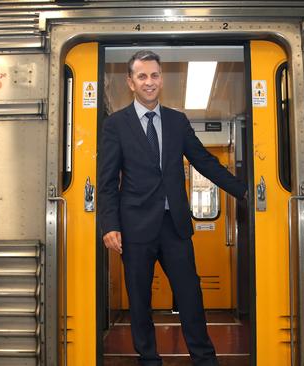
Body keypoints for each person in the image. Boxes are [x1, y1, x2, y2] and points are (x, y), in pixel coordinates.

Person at [97, 50, 247, 366]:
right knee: (139, 300)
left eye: (154, 75)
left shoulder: (177, 121)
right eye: (142, 76)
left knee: (190, 295)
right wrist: (109, 225)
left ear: (161, 79)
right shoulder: (116, 125)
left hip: (175, 225)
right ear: (131, 83)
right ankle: (149, 358)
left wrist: (244, 191)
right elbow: (107, 179)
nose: (149, 82)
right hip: (134, 228)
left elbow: (204, 162)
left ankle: (204, 358)